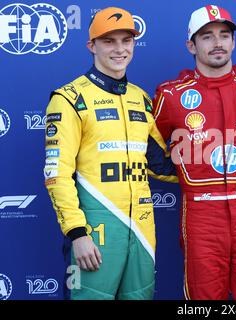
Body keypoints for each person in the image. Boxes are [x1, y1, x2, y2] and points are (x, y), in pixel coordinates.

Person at [44, 7, 176, 300]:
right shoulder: (69, 99)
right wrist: (77, 234)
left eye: (126, 40)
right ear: (91, 46)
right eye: (109, 41)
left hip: (141, 231)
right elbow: (56, 174)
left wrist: (215, 161)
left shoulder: (140, 98)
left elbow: (160, 164)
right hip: (95, 232)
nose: (119, 49)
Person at [151, 4, 236, 299]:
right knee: (204, 297)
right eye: (207, 36)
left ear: (234, 41)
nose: (217, 43)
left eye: (224, 35)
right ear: (191, 45)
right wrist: (186, 173)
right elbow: (149, 147)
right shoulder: (171, 94)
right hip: (201, 213)